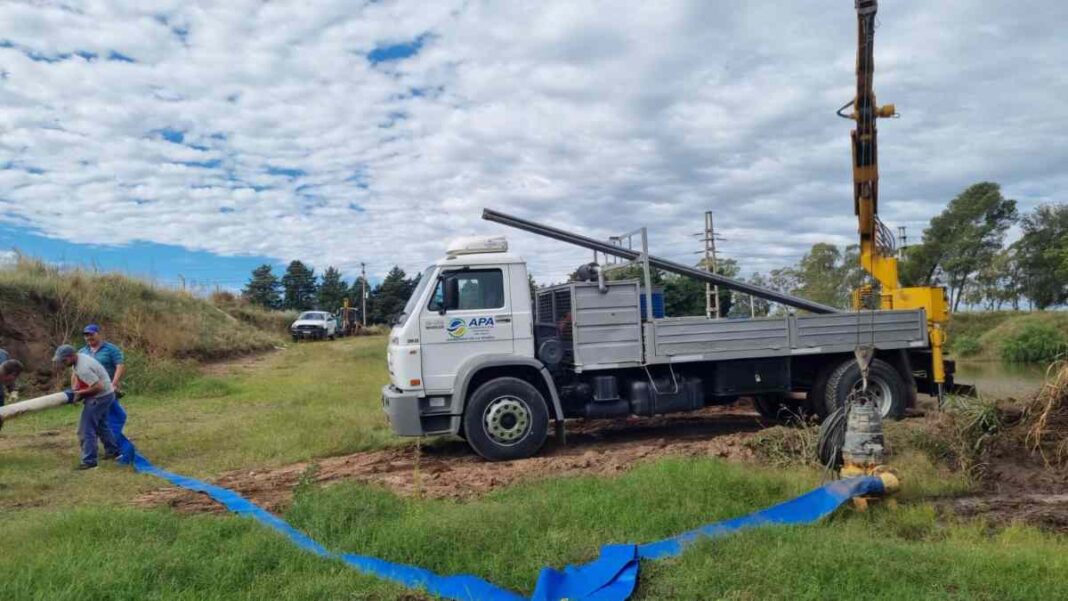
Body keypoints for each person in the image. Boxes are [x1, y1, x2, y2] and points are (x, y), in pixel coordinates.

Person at [54, 344, 120, 470]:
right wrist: (76, 390)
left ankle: (89, 462)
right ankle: (113, 452)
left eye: (64, 360)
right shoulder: (80, 358)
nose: (62, 363)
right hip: (107, 394)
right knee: (102, 426)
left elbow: (98, 387)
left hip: (100, 397)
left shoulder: (83, 367)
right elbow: (78, 377)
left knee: (86, 429)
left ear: (72, 356)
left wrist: (79, 394)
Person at [78, 324, 134, 461]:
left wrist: (113, 384)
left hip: (107, 391)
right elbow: (76, 372)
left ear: (98, 334)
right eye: (86, 335)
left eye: (91, 334)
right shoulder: (82, 352)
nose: (88, 337)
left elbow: (119, 366)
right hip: (92, 392)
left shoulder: (110, 349)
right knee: (100, 420)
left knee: (116, 416)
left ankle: (111, 446)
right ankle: (110, 449)